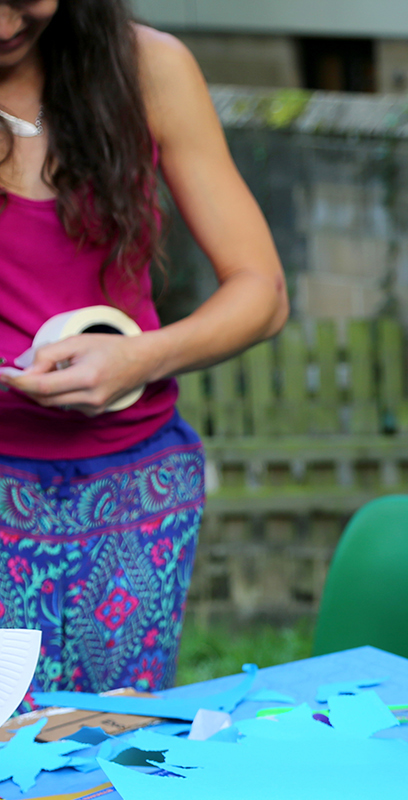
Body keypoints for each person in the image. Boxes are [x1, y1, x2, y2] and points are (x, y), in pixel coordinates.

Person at [0, 0, 287, 699]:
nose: (4, 24)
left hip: (137, 487)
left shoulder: (149, 69)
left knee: (109, 757)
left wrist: (140, 358)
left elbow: (263, 291)